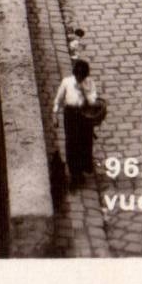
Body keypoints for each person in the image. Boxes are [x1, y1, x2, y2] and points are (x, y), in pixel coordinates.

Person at [52, 57, 98, 190]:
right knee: (72, 143)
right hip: (71, 115)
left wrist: (83, 90)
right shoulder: (66, 82)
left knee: (84, 142)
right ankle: (74, 173)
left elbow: (93, 101)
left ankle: (82, 168)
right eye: (78, 76)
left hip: (84, 114)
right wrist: (55, 115)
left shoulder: (89, 83)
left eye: (82, 77)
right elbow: (58, 100)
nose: (79, 79)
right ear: (74, 74)